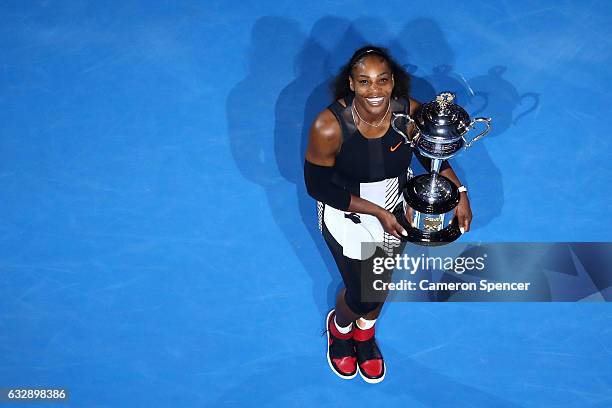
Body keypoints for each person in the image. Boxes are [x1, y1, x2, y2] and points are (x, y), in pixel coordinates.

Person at [303, 46, 473, 383]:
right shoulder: (328, 125)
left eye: (382, 81)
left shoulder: (409, 112)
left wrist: (461, 194)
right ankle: (340, 327)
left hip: (398, 204)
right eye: (364, 82)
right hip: (346, 210)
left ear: (393, 81)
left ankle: (364, 336)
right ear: (351, 84)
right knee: (363, 294)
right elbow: (319, 187)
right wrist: (378, 213)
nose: (374, 90)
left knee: (379, 282)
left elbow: (430, 155)